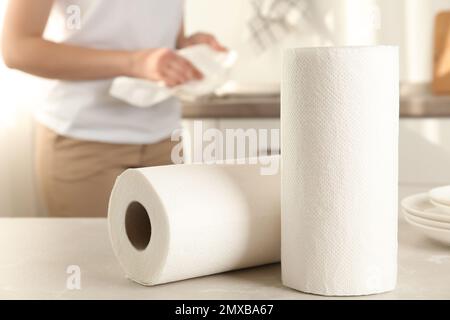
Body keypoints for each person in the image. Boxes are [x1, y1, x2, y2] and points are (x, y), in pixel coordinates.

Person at [1, 0, 226, 218]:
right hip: (83, 141)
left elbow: (157, 31)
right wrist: (135, 63)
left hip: (163, 138)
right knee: (97, 254)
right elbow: (17, 48)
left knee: (168, 252)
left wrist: (184, 49)